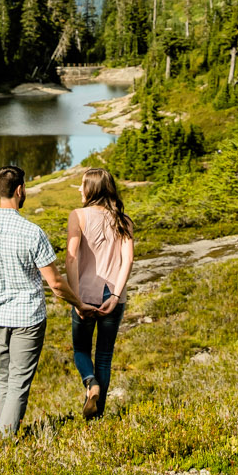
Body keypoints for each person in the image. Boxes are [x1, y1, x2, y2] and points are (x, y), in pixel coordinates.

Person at [0, 165, 82, 438]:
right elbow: (54, 282)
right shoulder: (32, 232)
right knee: (18, 383)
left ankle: (4, 440)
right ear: (20, 191)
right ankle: (4, 446)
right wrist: (77, 303)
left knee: (4, 382)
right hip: (27, 319)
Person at [65, 168, 135, 419]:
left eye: (82, 185)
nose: (79, 190)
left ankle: (90, 381)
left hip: (84, 294)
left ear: (91, 189)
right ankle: (97, 416)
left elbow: (71, 260)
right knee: (104, 356)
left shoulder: (78, 216)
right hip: (113, 298)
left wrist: (75, 298)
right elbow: (128, 260)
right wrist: (116, 296)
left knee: (81, 350)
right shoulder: (123, 220)